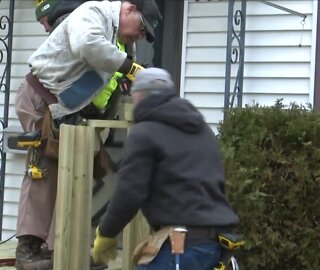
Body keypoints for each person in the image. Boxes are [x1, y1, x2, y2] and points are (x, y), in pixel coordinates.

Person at [14, 1, 162, 269]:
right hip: (41, 97)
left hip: (69, 109)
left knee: (76, 172)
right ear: (128, 9)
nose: (139, 35)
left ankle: (64, 249)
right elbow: (88, 45)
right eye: (141, 27)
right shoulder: (94, 13)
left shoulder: (121, 40)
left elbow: (107, 76)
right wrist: (128, 67)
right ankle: (28, 251)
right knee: (44, 167)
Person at [92, 68, 240, 269]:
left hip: (180, 246)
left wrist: (106, 232)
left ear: (139, 96)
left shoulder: (144, 133)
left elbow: (129, 193)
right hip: (215, 247)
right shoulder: (202, 129)